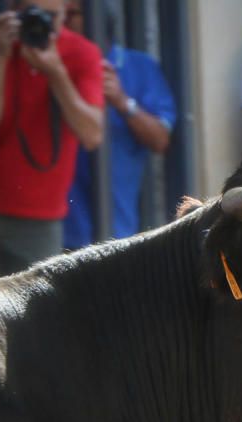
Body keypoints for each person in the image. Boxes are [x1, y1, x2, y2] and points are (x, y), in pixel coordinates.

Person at [0, 0, 103, 277]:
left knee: (38, 314)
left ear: (65, 12)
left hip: (41, 217)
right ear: (13, 10)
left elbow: (92, 136)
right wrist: (1, 56)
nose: (41, 23)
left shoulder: (82, 53)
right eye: (31, 13)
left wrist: (56, 72)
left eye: (50, 16)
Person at [62, 0, 176, 249]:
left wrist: (123, 101)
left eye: (72, 14)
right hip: (53, 228)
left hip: (115, 232)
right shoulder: (49, 64)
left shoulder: (139, 67)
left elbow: (161, 140)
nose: (62, 21)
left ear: (98, 21)